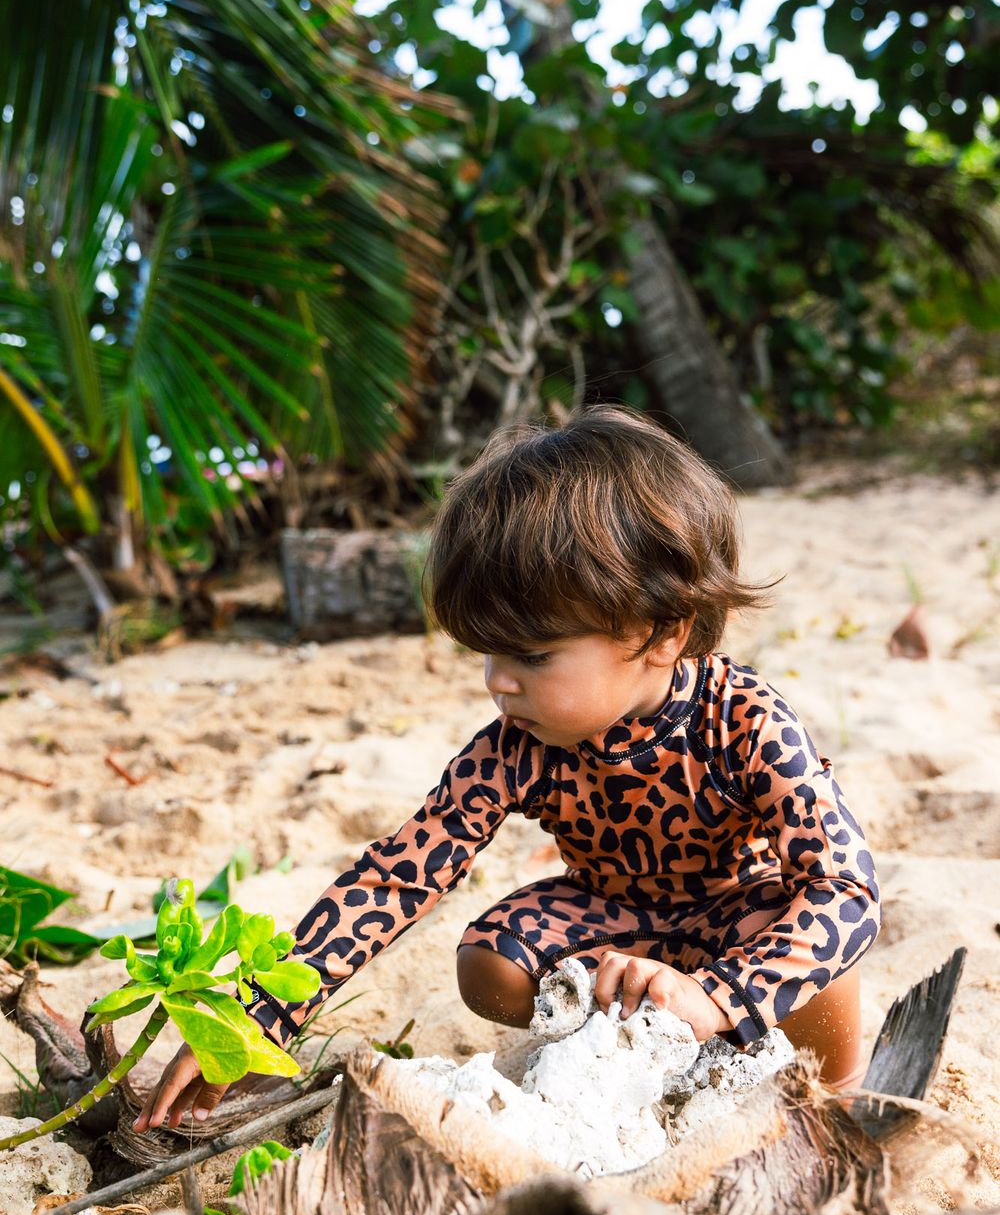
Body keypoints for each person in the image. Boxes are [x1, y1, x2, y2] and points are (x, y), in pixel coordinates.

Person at [135, 407, 879, 1132]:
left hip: (735, 923)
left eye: (531, 655)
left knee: (820, 953)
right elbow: (397, 875)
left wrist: (718, 994)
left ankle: (837, 1098)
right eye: (486, 653)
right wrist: (258, 1014)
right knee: (490, 961)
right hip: (610, 919)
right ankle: (625, 1055)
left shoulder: (743, 718)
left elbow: (848, 890)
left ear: (661, 632)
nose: (498, 681)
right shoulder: (518, 745)